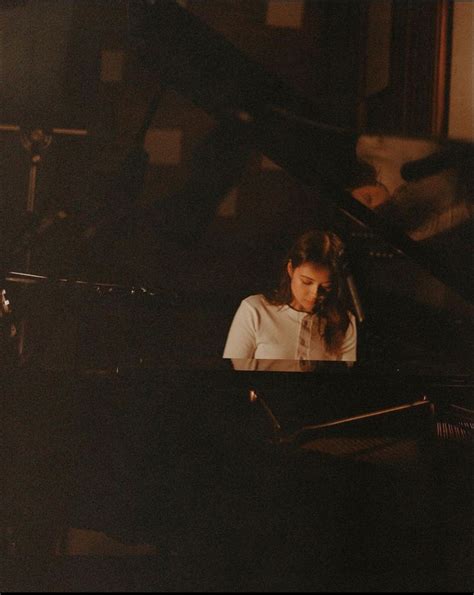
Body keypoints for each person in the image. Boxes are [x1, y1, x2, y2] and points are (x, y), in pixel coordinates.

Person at [223, 230, 357, 370]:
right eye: (306, 282)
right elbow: (234, 372)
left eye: (326, 286)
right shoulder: (254, 310)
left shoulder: (345, 321)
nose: (315, 294)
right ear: (290, 269)